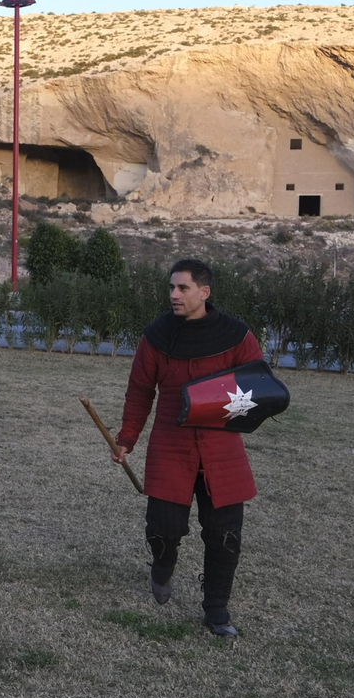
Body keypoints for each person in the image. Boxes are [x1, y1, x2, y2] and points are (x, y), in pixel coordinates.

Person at [112, 258, 262, 637]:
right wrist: (127, 439)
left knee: (225, 535)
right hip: (170, 444)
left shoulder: (237, 336)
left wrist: (229, 406)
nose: (173, 295)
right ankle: (162, 567)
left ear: (204, 292)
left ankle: (217, 611)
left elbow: (257, 385)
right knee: (162, 529)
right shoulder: (157, 336)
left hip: (220, 447)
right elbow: (140, 392)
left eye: (182, 288)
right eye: (171, 288)